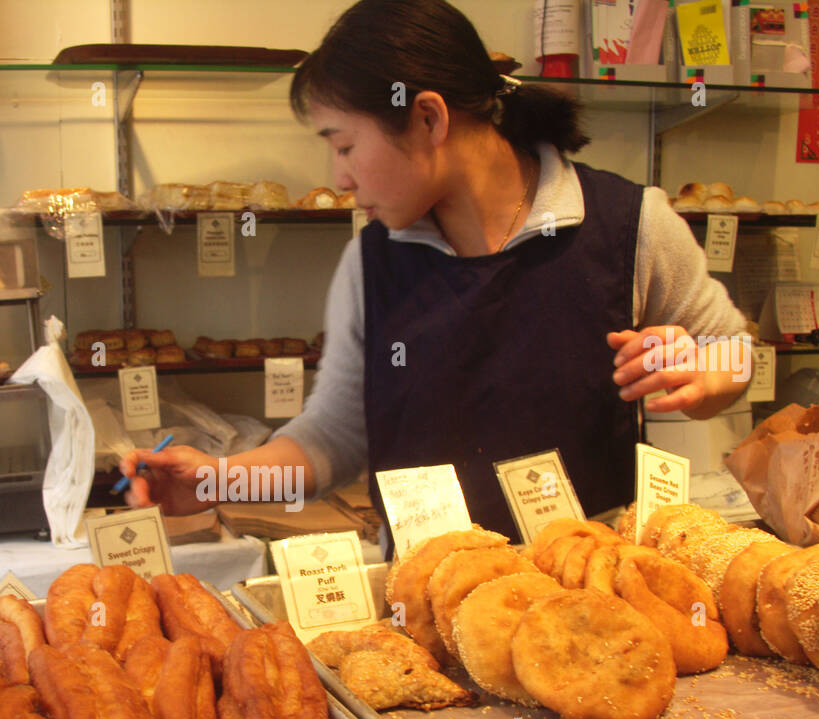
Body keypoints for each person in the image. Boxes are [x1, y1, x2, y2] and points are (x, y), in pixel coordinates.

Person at [121, 0, 749, 544]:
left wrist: (704, 367)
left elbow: (736, 355)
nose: (337, 177)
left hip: (589, 604)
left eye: (343, 145)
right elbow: (335, 438)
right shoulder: (372, 262)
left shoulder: (630, 224)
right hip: (429, 613)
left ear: (428, 118)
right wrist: (220, 480)